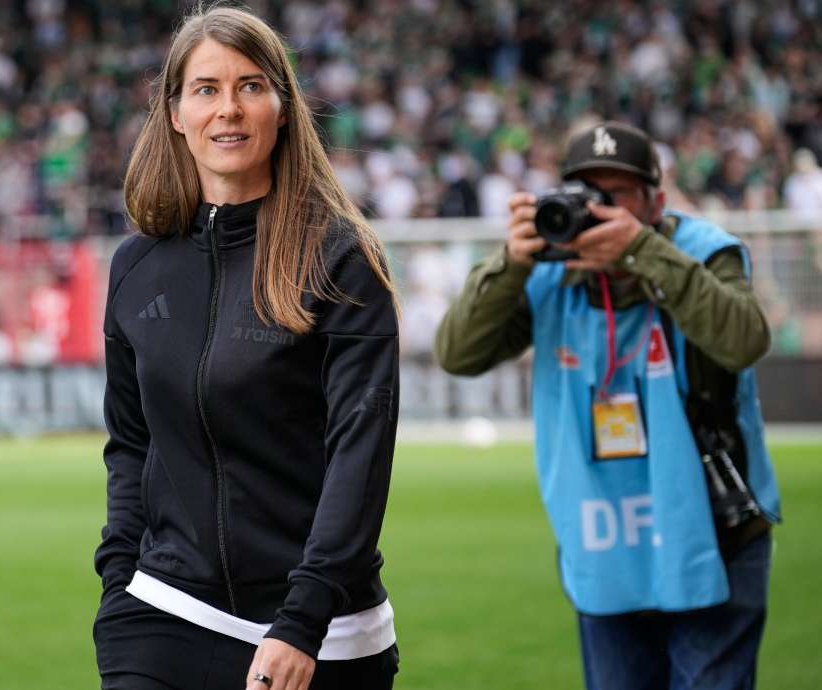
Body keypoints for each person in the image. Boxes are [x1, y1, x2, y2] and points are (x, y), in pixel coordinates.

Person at [93, 6, 401, 690]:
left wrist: (303, 619)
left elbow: (360, 451)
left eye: (251, 86)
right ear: (175, 113)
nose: (228, 109)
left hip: (321, 634)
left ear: (283, 108)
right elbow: (130, 443)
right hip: (162, 612)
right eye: (206, 89)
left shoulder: (341, 259)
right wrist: (118, 580)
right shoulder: (137, 266)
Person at [435, 121, 782, 689]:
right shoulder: (549, 269)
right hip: (605, 540)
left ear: (657, 200)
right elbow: (457, 353)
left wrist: (642, 252)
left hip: (714, 533)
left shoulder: (704, 251)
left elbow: (744, 340)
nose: (596, 208)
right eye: (585, 193)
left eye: (615, 194)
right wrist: (511, 263)